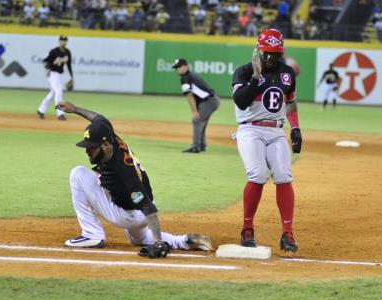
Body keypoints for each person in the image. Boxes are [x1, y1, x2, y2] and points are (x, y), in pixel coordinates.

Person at [55, 101, 214, 258]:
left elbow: (147, 207)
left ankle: (92, 234)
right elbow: (98, 118)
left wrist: (158, 241)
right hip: (137, 209)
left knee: (78, 174)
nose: (87, 151)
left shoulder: (123, 172)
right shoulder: (108, 133)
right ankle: (186, 241)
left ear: (104, 145)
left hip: (131, 213)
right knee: (142, 239)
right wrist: (75, 109)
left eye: (91, 147)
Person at [231, 28, 302, 253]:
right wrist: (255, 77)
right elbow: (241, 101)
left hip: (276, 129)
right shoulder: (244, 71)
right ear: (258, 51)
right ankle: (247, 228)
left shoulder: (287, 72)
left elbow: (290, 102)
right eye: (267, 53)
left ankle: (287, 233)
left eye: (275, 54)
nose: (271, 58)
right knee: (258, 175)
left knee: (284, 176)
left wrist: (296, 128)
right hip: (250, 129)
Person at [172, 58, 220, 153]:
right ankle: (201, 144)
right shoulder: (190, 76)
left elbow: (189, 95)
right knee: (202, 121)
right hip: (211, 100)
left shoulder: (185, 78)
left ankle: (196, 146)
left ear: (185, 67)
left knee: (197, 120)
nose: (177, 69)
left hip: (209, 101)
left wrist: (194, 111)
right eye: (176, 68)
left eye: (179, 67)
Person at [37, 35, 74, 120]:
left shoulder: (67, 52)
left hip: (59, 75)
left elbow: (69, 65)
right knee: (59, 91)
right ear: (59, 41)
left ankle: (40, 110)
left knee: (52, 94)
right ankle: (60, 113)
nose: (63, 42)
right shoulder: (54, 51)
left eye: (65, 40)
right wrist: (47, 70)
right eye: (62, 40)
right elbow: (45, 61)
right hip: (52, 74)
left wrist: (72, 77)